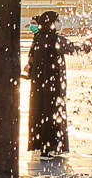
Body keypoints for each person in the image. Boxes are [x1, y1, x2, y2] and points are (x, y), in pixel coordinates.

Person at [26, 9, 70, 156]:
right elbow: (74, 48)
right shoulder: (56, 40)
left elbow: (31, 59)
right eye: (57, 21)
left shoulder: (38, 38)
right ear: (51, 23)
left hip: (39, 85)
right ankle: (51, 147)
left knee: (40, 112)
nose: (59, 23)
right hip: (54, 83)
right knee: (53, 113)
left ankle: (40, 146)